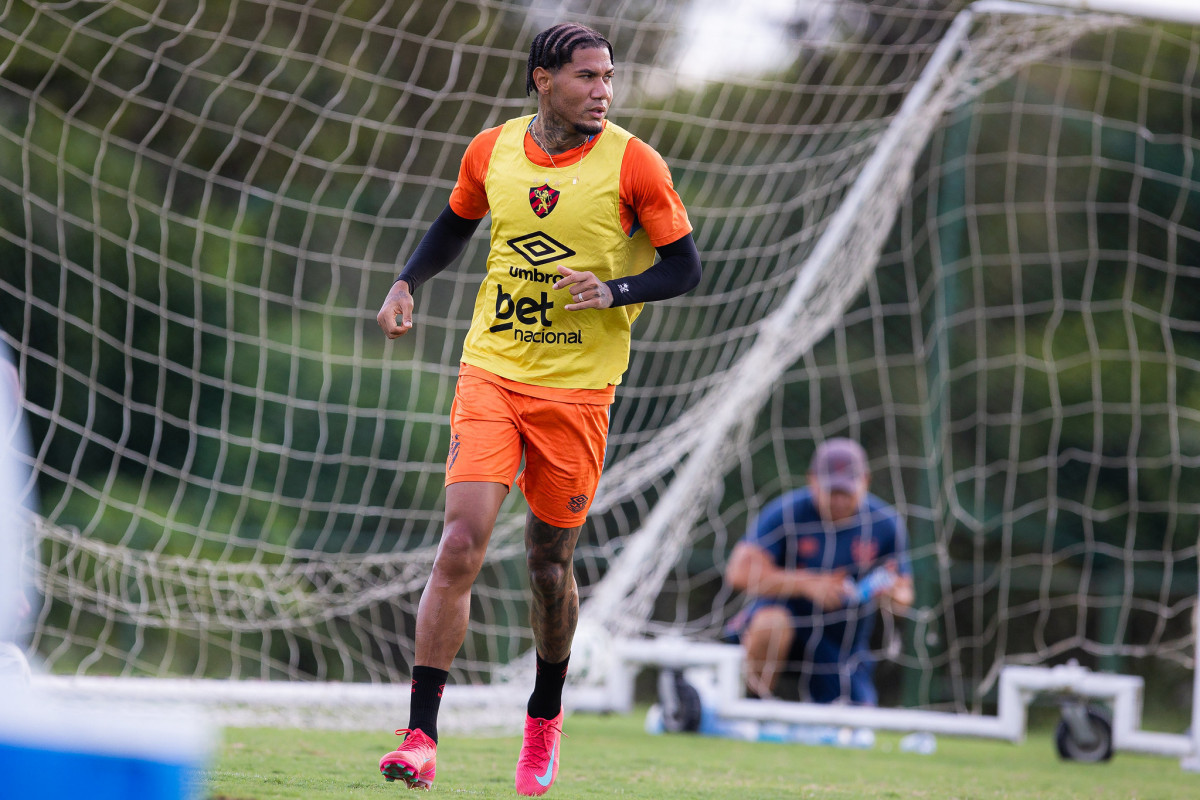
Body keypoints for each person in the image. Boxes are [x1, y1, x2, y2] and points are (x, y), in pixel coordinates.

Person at [374, 22, 700, 795]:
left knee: (548, 567)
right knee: (461, 543)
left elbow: (685, 266)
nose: (602, 91)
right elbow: (457, 220)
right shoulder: (493, 150)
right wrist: (405, 282)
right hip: (492, 370)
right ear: (542, 80)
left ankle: (543, 718)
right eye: (587, 77)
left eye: (609, 78)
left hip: (579, 393)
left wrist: (615, 290)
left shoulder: (634, 163)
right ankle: (420, 736)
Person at [725, 438, 913, 705]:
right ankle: (751, 706)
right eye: (831, 490)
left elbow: (905, 594)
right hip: (785, 622)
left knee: (855, 725)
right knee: (771, 624)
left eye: (846, 491)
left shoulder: (885, 524)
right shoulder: (786, 512)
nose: (838, 500)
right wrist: (807, 584)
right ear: (812, 481)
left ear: (865, 482)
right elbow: (738, 572)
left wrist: (892, 594)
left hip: (842, 640)